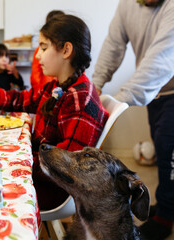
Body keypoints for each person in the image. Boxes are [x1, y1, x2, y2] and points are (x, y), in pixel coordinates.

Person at [0, 14, 109, 210]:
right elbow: (24, 99)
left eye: (43, 48)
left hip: (54, 188)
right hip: (40, 170)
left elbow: (66, 164)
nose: (37, 55)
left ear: (66, 50)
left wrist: (17, 163)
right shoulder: (59, 87)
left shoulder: (79, 98)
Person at [92, 0, 174, 239]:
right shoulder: (126, 5)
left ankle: (166, 217)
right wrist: (95, 86)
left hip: (171, 89)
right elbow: (113, 45)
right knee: (161, 148)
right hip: (156, 94)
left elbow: (161, 58)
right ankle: (167, 203)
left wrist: (119, 101)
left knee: (169, 150)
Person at [30, 10, 64, 90]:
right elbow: (35, 76)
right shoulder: (38, 51)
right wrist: (40, 91)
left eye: (44, 49)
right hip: (45, 90)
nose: (38, 55)